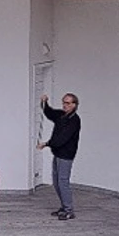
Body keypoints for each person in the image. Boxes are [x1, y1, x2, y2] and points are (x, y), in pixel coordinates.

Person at [38, 93, 81, 221]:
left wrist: (47, 144)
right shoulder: (62, 115)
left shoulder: (74, 120)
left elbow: (62, 139)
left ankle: (69, 210)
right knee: (57, 183)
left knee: (63, 182)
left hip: (66, 155)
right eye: (64, 102)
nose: (65, 105)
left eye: (68, 103)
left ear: (74, 105)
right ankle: (64, 207)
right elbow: (50, 113)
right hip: (58, 154)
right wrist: (45, 103)